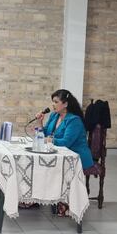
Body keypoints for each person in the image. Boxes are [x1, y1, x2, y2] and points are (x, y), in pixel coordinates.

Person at [34, 89, 95, 217]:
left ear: (65, 104)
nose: (53, 105)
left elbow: (66, 142)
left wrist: (49, 140)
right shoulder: (54, 116)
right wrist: (39, 121)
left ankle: (65, 201)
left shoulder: (74, 120)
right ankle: (36, 198)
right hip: (59, 154)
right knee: (39, 163)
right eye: (53, 102)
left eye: (56, 102)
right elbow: (43, 133)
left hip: (77, 156)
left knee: (49, 166)